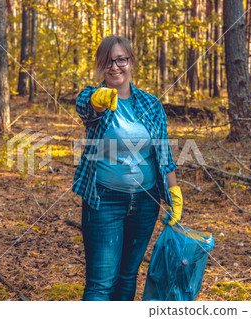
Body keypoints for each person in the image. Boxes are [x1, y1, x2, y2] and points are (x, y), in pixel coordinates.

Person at [72, 35, 183, 301]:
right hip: (104, 201)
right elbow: (86, 108)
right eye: (108, 62)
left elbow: (164, 152)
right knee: (101, 283)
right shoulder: (94, 97)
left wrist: (174, 192)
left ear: (131, 62)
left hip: (146, 202)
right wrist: (98, 100)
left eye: (121, 60)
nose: (115, 67)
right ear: (100, 66)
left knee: (127, 279)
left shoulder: (151, 104)